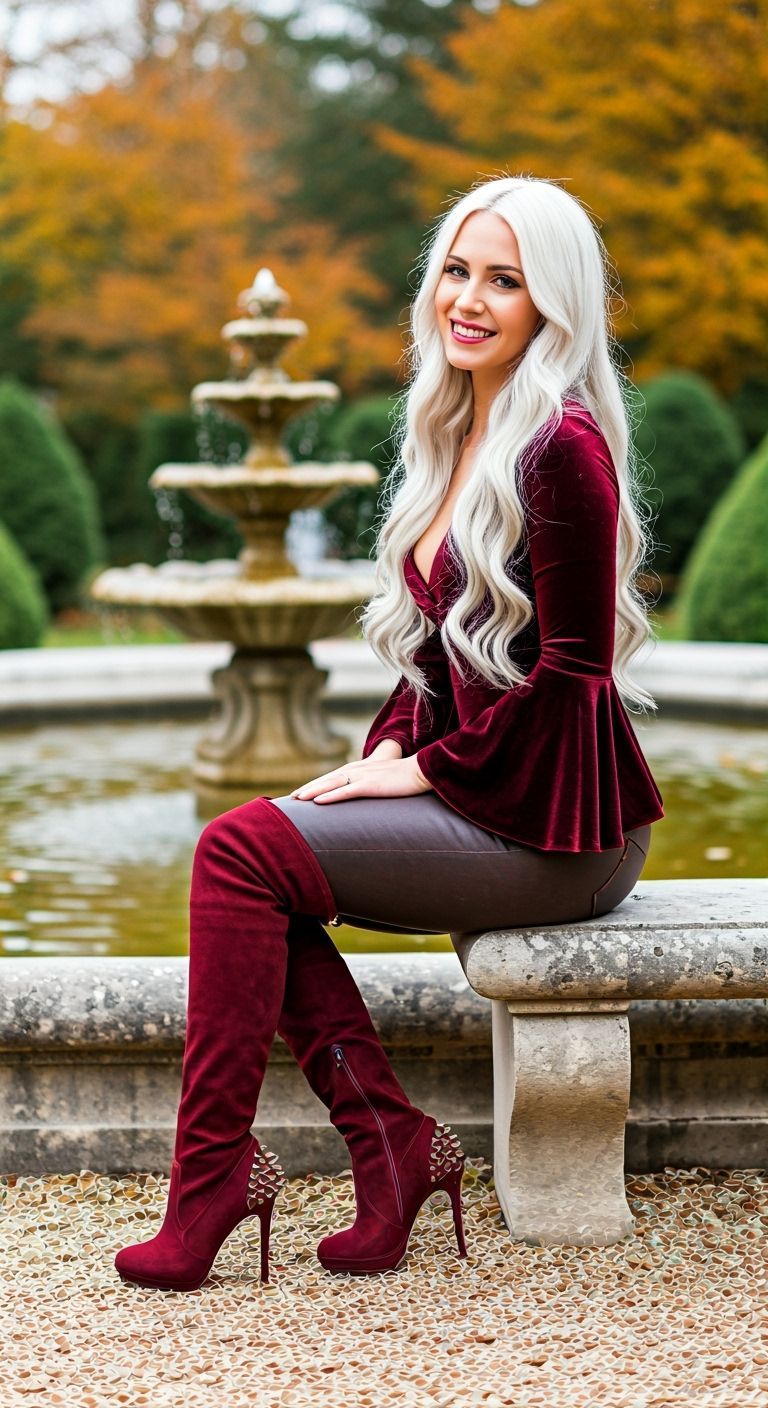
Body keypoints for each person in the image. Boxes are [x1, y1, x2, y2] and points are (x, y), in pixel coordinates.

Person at [114, 173, 665, 1292]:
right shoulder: (463, 424)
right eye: (458, 270)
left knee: (235, 852)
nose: (470, 298)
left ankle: (217, 1180)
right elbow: (438, 655)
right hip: (493, 792)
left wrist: (426, 768)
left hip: (560, 826)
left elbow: (572, 674)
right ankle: (388, 1142)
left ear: (551, 304)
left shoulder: (561, 445)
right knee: (253, 869)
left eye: (504, 280)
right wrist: (382, 753)